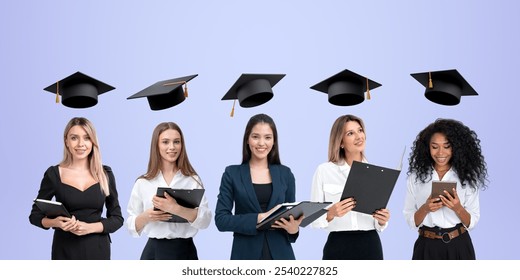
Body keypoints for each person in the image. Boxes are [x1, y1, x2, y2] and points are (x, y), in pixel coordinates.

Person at [29, 117, 123, 260]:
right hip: (65, 249)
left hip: (98, 249)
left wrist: (89, 228)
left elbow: (117, 219)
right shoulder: (54, 174)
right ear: (66, 141)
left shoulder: (105, 174)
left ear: (93, 142)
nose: (81, 144)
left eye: (86, 138)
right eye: (74, 138)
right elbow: (35, 216)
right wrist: (55, 222)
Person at [215, 113, 303, 260]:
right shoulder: (232, 173)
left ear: (274, 141)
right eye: (256, 137)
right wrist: (260, 218)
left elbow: (290, 217)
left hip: (281, 256)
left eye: (268, 137)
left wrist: (294, 230)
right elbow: (221, 220)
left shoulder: (285, 174)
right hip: (245, 255)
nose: (262, 143)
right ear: (247, 140)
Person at [403, 118, 488, 260]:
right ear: (427, 147)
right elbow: (410, 219)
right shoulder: (416, 177)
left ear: (455, 147)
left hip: (459, 245)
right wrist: (425, 208)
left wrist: (458, 208)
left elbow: (472, 221)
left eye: (447, 146)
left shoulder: (466, 177)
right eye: (434, 147)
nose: (440, 152)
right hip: (426, 246)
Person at [126, 122, 211, 260]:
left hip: (185, 252)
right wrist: (147, 216)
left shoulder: (192, 180)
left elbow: (205, 220)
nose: (172, 147)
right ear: (156, 145)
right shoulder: (143, 182)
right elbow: (130, 225)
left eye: (176, 142)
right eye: (165, 142)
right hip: (154, 252)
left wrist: (176, 208)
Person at [310, 114, 390, 260]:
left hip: (370, 244)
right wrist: (331, 213)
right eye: (350, 133)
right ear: (341, 141)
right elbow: (313, 218)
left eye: (360, 130)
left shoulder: (376, 173)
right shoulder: (324, 171)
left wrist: (382, 220)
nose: (359, 136)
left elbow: (378, 222)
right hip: (338, 245)